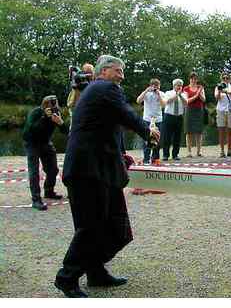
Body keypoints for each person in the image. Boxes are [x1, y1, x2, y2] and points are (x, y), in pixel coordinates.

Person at [54, 55, 160, 298]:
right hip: (87, 171)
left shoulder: (98, 91)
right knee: (91, 226)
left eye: (123, 71)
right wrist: (148, 131)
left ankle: (95, 270)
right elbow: (127, 115)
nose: (122, 75)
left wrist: (122, 156)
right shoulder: (105, 87)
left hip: (98, 169)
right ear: (103, 71)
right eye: (118, 70)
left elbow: (108, 129)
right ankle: (67, 277)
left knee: (114, 223)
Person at [22, 95, 69, 211]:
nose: (53, 106)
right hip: (32, 142)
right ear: (44, 104)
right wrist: (43, 117)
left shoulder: (56, 113)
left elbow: (66, 132)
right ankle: (36, 200)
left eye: (55, 103)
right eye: (50, 103)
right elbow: (29, 130)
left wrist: (61, 122)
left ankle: (49, 191)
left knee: (53, 169)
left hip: (45, 142)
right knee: (34, 172)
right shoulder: (36, 113)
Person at [136, 78, 164, 164]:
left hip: (158, 119)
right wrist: (146, 91)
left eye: (157, 86)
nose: (155, 87)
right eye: (154, 85)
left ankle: (155, 159)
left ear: (159, 86)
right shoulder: (146, 94)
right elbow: (138, 101)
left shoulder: (162, 93)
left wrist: (158, 94)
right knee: (146, 140)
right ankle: (146, 159)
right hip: (147, 119)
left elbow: (163, 105)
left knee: (157, 140)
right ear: (150, 86)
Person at [161, 78, 188, 161]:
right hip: (169, 116)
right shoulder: (168, 93)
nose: (179, 87)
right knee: (167, 136)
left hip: (179, 117)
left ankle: (175, 154)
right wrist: (176, 95)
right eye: (178, 85)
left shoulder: (184, 94)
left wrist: (180, 95)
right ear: (174, 86)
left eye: (180, 85)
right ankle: (165, 155)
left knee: (177, 137)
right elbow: (167, 102)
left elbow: (186, 103)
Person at [214, 73, 231, 158]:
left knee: (230, 131)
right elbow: (216, 97)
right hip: (220, 110)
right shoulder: (218, 87)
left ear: (229, 79)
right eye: (224, 78)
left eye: (227, 78)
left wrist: (226, 91)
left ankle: (229, 150)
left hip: (230, 110)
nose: (225, 79)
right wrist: (219, 91)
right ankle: (221, 151)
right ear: (221, 79)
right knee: (221, 131)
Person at [183, 72, 206, 157]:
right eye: (192, 78)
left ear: (197, 79)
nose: (193, 80)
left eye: (195, 78)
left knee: (199, 132)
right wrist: (196, 95)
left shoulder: (200, 87)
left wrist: (199, 93)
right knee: (188, 132)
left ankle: (199, 152)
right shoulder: (185, 88)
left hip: (199, 110)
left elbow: (204, 100)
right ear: (190, 79)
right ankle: (189, 152)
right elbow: (187, 101)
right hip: (189, 110)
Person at [66, 63, 95, 128]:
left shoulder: (93, 82)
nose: (89, 74)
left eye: (90, 72)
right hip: (75, 107)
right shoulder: (78, 79)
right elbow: (71, 69)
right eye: (87, 72)